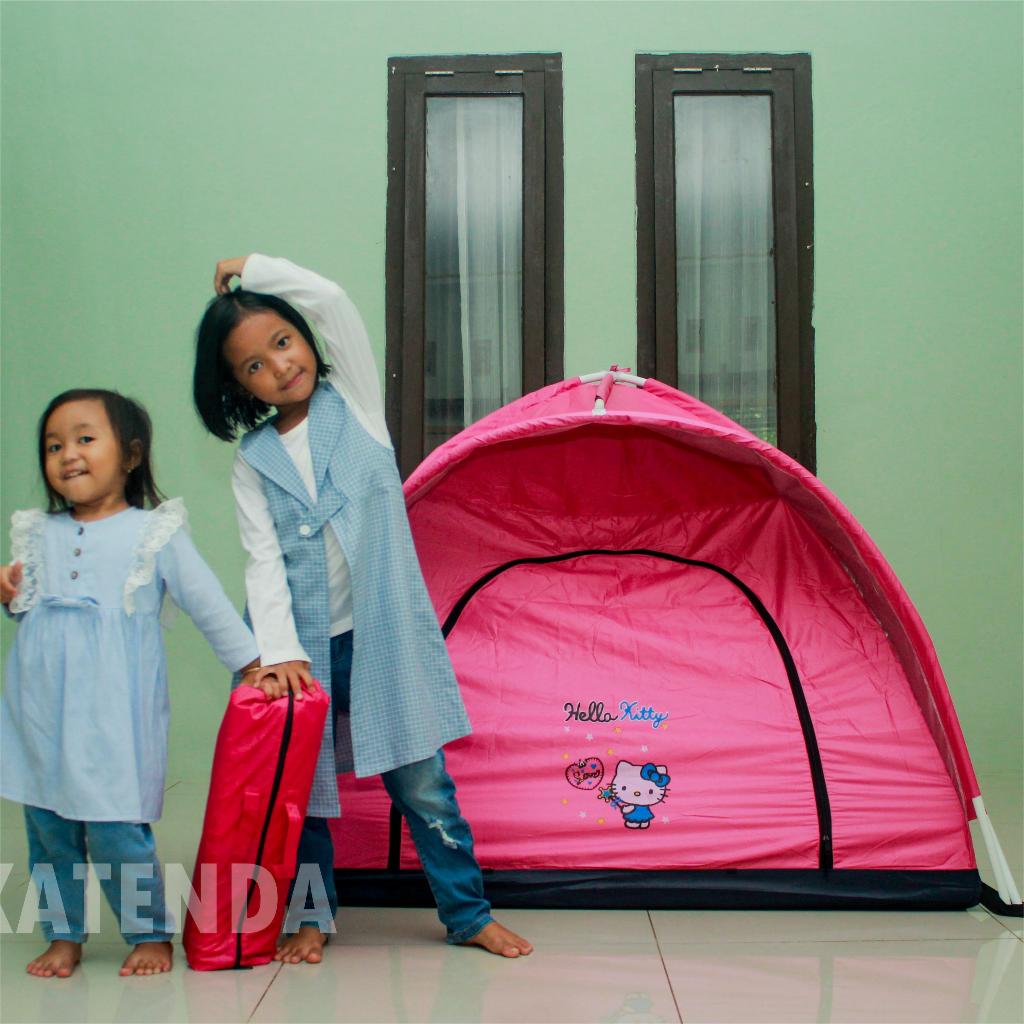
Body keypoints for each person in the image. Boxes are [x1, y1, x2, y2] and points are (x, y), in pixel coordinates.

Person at [192, 254, 532, 962]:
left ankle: (467, 913)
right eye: (254, 365)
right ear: (238, 386)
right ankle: (312, 919)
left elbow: (334, 298)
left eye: (283, 342)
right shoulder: (253, 459)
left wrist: (254, 268)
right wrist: (279, 653)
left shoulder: (357, 403)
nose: (279, 366)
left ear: (306, 336)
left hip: (381, 637)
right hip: (299, 650)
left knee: (423, 784)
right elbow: (262, 561)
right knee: (302, 795)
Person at [0, 389, 260, 978]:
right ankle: (63, 934)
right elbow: (27, 611)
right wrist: (9, 595)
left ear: (131, 455)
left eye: (85, 439)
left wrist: (251, 664)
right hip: (41, 712)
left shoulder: (153, 533)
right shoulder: (37, 532)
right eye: (54, 446)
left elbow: (206, 602)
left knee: (117, 831)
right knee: (49, 833)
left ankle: (149, 932)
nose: (68, 454)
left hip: (113, 713)